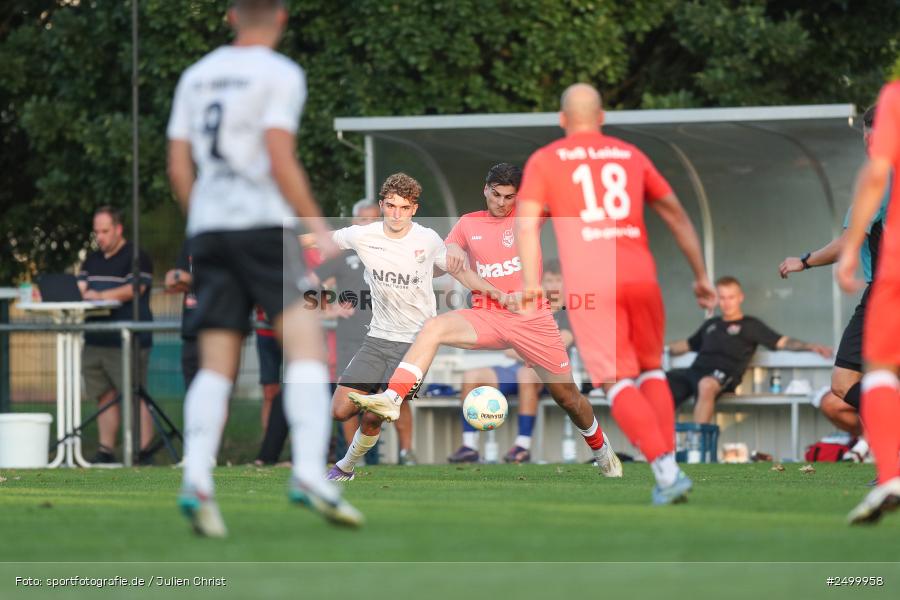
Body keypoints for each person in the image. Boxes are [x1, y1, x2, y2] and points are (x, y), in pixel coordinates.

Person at [165, 0, 362, 537]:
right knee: (302, 340)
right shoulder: (280, 74)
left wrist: (203, 221)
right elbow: (279, 155)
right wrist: (319, 230)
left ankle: (198, 478)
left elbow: (179, 165)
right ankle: (307, 474)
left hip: (208, 230)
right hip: (262, 228)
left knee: (216, 361)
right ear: (280, 17)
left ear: (231, 16)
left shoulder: (196, 75)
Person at [347, 163, 623, 478]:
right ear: (485, 190)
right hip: (487, 316)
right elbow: (450, 246)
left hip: (533, 321)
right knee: (434, 327)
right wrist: (452, 251)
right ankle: (393, 397)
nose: (503, 203)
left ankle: (603, 452)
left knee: (568, 398)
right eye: (496, 194)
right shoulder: (468, 224)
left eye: (509, 197)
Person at [515, 83, 717, 504]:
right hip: (642, 276)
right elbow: (677, 216)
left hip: (595, 283)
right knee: (652, 372)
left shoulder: (546, 160)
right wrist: (701, 276)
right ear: (602, 117)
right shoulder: (631, 155)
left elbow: (526, 224)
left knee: (616, 381)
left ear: (562, 119)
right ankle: (669, 467)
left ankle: (665, 472)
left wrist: (532, 282)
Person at [324, 172, 503, 481]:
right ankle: (355, 454)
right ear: (382, 205)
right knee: (339, 410)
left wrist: (500, 295)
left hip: (415, 345)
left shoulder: (427, 239)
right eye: (391, 206)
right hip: (376, 339)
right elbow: (321, 238)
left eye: (404, 207)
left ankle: (347, 466)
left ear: (414, 209)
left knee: (373, 415)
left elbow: (461, 273)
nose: (396, 214)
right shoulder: (363, 235)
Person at [778, 104, 888, 450]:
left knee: (843, 382)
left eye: (868, 133)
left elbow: (848, 241)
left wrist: (805, 261)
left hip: (887, 292)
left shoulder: (881, 177)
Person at [836, 74, 900, 525]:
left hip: (891, 279)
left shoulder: (893, 97)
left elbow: (875, 176)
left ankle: (891, 473)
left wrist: (843, 258)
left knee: (870, 375)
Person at [311, 199, 418, 465]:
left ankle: (407, 453)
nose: (368, 224)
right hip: (352, 339)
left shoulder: (395, 250)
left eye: (373, 219)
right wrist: (329, 309)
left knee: (398, 396)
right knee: (351, 399)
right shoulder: (343, 255)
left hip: (393, 335)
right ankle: (353, 458)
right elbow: (310, 282)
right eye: (362, 220)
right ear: (353, 224)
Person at [448, 259, 573, 464]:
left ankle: (521, 447)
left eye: (558, 280)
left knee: (526, 374)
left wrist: (524, 347)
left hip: (550, 373)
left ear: (566, 283)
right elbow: (508, 348)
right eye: (548, 280)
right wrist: (530, 347)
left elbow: (560, 345)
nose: (552, 285)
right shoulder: (528, 310)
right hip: (517, 368)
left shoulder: (569, 314)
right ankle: (469, 446)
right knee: (471, 376)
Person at [667, 276, 832, 424]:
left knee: (706, 384)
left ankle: (697, 447)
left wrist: (809, 346)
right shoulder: (711, 324)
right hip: (694, 372)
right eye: (722, 298)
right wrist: (657, 349)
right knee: (661, 385)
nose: (727, 302)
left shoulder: (751, 325)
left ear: (740, 298)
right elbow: (687, 345)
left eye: (731, 297)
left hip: (720, 376)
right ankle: (654, 446)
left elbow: (782, 342)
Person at [78, 205, 155, 465]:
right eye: (96, 231)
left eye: (105, 231)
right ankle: (106, 450)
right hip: (95, 337)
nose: (100, 237)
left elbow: (136, 288)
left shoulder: (136, 256)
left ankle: (143, 451)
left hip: (127, 339)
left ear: (118, 229)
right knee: (103, 395)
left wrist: (100, 296)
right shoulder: (91, 259)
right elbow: (80, 287)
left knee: (134, 393)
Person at [164, 240, 198, 389]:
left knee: (215, 398)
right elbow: (172, 282)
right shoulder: (191, 242)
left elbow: (224, 282)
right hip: (191, 333)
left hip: (217, 332)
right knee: (192, 394)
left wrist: (187, 278)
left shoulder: (226, 238)